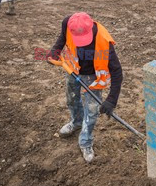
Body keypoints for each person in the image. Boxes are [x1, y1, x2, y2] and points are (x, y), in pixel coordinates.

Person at [48, 12, 123, 163]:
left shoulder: (104, 41)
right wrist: (55, 51)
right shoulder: (67, 23)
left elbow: (117, 72)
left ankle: (86, 141)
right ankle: (76, 122)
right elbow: (62, 38)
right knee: (72, 100)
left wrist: (112, 100)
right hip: (73, 69)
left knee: (92, 110)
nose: (81, 43)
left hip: (92, 77)